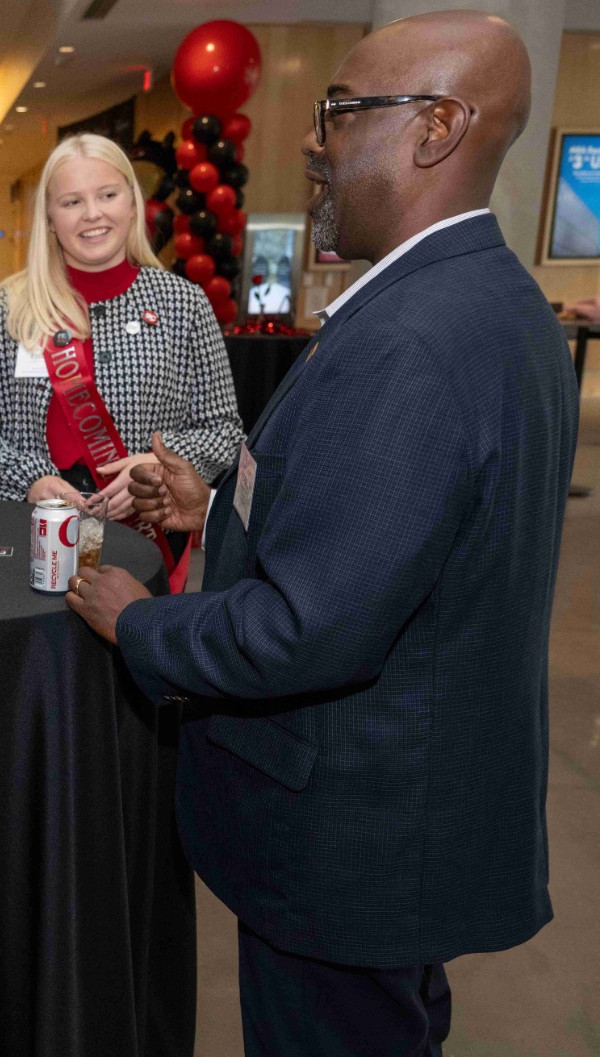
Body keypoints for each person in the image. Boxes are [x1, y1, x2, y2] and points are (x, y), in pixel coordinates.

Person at [68, 12, 578, 1056]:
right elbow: (404, 537)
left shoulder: (412, 340)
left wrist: (141, 627)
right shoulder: (495, 303)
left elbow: (306, 628)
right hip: (410, 814)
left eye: (338, 115)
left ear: (434, 127)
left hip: (353, 838)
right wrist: (213, 511)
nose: (308, 142)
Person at [0, 132, 243, 592]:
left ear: (132, 203)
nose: (92, 214)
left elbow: (223, 430)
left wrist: (158, 466)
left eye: (108, 194)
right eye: (71, 201)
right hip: (31, 538)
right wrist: (31, 482)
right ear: (49, 217)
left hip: (146, 540)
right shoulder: (5, 308)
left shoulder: (184, 305)